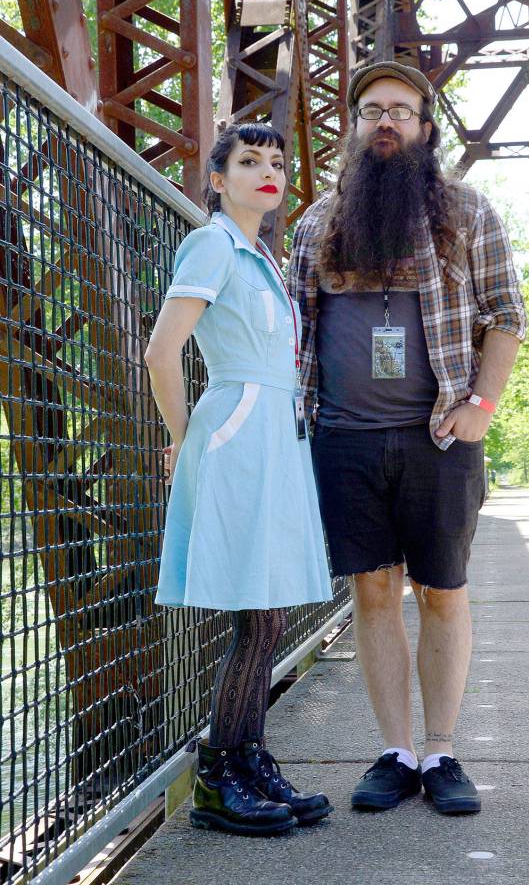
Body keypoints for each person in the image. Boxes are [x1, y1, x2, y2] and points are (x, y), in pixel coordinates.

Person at [287, 59, 527, 816]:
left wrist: (481, 405)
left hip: (439, 439)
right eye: (370, 110)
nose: (384, 121)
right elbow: (294, 333)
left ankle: (443, 750)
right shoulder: (316, 222)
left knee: (444, 593)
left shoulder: (467, 214)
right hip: (344, 439)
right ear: (353, 128)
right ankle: (394, 752)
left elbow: (506, 316)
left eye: (400, 109)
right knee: (372, 591)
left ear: (425, 128)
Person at [145, 122, 333, 836]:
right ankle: (219, 779)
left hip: (270, 441)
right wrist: (187, 439)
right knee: (256, 616)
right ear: (217, 180)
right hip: (237, 438)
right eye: (248, 161)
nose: (268, 172)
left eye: (277, 163)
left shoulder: (258, 257)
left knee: (268, 615)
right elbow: (162, 353)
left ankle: (248, 760)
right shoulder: (212, 243)